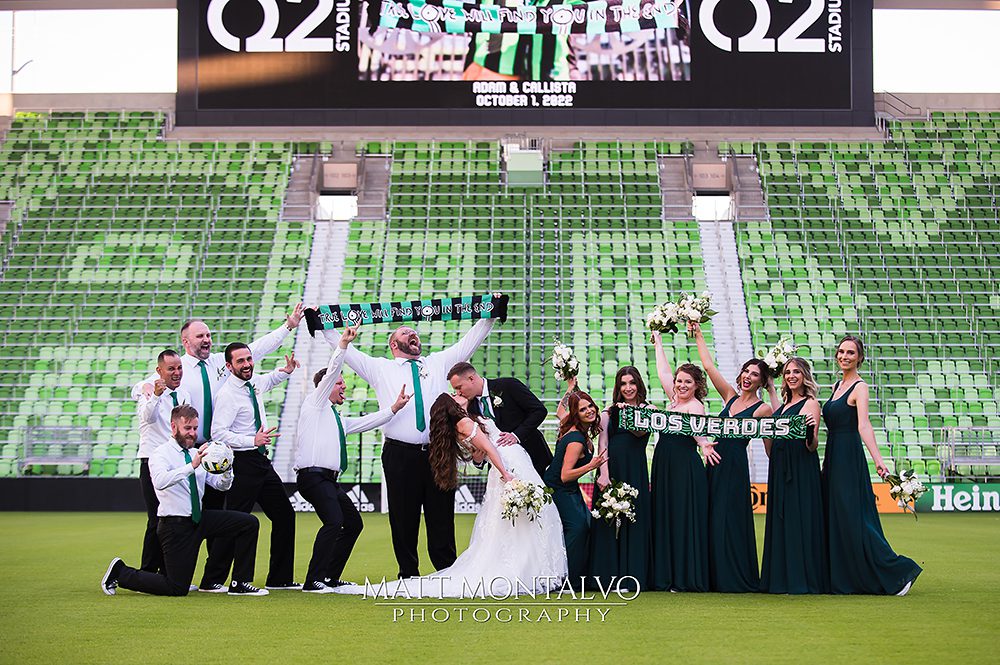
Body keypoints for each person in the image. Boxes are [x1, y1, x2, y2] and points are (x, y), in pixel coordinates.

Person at [333, 393, 567, 597]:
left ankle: (530, 567)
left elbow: (478, 455)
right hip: (507, 465)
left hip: (507, 463)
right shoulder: (465, 423)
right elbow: (488, 449)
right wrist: (506, 474)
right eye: (453, 395)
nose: (457, 393)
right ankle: (531, 568)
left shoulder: (463, 423)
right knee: (524, 519)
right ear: (451, 406)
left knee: (513, 522)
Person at [321, 317, 496, 579]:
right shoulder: (380, 368)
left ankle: (447, 572)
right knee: (403, 517)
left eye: (414, 331)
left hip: (438, 451)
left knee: (442, 515)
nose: (412, 333)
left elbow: (468, 343)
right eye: (405, 332)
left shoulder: (437, 362)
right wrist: (323, 324)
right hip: (399, 454)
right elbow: (350, 353)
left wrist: (489, 314)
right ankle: (408, 573)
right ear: (394, 344)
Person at [134, 304, 305, 522]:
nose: (206, 339)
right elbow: (143, 387)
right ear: (185, 341)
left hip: (214, 451)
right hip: (189, 449)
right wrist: (142, 386)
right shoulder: (179, 368)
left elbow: (257, 348)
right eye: (200, 336)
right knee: (179, 517)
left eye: (208, 335)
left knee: (215, 513)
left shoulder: (219, 363)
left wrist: (288, 327)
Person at [100, 405, 266, 597]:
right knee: (177, 588)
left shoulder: (198, 453)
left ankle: (240, 583)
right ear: (173, 427)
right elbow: (160, 482)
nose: (192, 433)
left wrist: (227, 469)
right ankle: (120, 572)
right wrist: (191, 466)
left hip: (199, 519)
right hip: (175, 525)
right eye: (187, 428)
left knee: (248, 523)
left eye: (195, 428)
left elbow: (221, 486)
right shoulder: (160, 454)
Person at [295, 326, 411, 593]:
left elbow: (365, 422)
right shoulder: (315, 403)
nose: (344, 386)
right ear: (325, 387)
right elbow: (332, 371)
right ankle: (313, 580)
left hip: (327, 480)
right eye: (339, 383)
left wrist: (393, 409)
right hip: (313, 477)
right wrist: (343, 345)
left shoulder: (336, 418)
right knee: (334, 522)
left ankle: (329, 577)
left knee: (353, 523)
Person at [822, 335, 922, 595]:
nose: (844, 356)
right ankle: (846, 578)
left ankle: (897, 573)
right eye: (841, 351)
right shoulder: (836, 386)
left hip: (848, 457)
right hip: (832, 455)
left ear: (860, 358)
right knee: (838, 517)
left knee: (854, 518)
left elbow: (864, 425)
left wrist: (878, 460)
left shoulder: (860, 387)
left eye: (851, 353)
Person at [206, 343, 300, 591]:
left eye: (249, 359)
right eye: (240, 361)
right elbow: (218, 433)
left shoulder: (253, 383)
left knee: (284, 514)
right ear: (229, 366)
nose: (247, 364)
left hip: (260, 461)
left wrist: (286, 371)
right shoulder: (227, 395)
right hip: (242, 463)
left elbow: (268, 380)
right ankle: (213, 580)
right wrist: (252, 440)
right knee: (235, 521)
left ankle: (280, 578)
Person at [690, 320, 770, 593]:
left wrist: (773, 390)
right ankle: (712, 576)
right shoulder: (730, 396)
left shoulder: (763, 409)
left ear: (761, 381)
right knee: (712, 517)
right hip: (714, 460)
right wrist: (699, 334)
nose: (748, 376)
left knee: (731, 520)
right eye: (746, 371)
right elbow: (709, 367)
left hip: (735, 465)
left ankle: (733, 577)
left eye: (755, 374)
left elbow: (770, 445)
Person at [649, 331, 720, 592]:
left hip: (683, 468)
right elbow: (663, 372)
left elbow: (697, 431)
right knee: (666, 517)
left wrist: (703, 444)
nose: (681, 385)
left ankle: (684, 577)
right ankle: (667, 575)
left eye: (687, 382)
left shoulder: (695, 406)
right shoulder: (674, 401)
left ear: (696, 385)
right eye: (679, 381)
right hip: (664, 465)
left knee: (681, 519)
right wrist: (658, 342)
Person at [759, 357, 828, 594]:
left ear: (804, 375)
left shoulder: (811, 404)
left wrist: (810, 433)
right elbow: (771, 444)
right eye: (788, 372)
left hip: (800, 469)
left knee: (799, 520)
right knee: (781, 520)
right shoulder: (783, 407)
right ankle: (781, 578)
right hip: (779, 467)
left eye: (796, 372)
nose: (791, 376)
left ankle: (801, 579)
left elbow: (812, 445)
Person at [589, 366, 652, 592]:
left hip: (635, 470)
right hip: (611, 468)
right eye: (623, 384)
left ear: (639, 384)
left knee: (635, 521)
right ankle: (606, 578)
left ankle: (632, 577)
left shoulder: (649, 410)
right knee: (607, 521)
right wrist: (604, 473)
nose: (628, 388)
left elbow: (640, 432)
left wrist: (628, 414)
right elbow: (603, 444)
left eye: (632, 383)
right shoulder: (608, 413)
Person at [134, 349, 192, 575]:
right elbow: (147, 418)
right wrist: (156, 395)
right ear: (159, 371)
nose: (177, 373)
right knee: (155, 519)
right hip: (152, 460)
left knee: (174, 519)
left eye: (179, 368)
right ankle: (147, 573)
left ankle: (169, 573)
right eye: (171, 369)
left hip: (175, 460)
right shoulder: (149, 391)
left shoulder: (184, 393)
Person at [545, 381, 606, 589]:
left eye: (590, 406)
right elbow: (565, 475)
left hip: (568, 488)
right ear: (576, 414)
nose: (589, 411)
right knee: (578, 528)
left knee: (587, 524)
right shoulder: (576, 439)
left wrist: (571, 387)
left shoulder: (571, 424)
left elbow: (559, 410)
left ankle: (580, 575)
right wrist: (592, 465)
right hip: (558, 488)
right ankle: (567, 579)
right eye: (582, 409)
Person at [447, 361, 553, 477]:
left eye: (459, 387)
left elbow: (539, 411)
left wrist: (516, 435)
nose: (458, 393)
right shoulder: (468, 407)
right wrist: (478, 461)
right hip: (500, 470)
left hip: (533, 458)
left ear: (471, 378)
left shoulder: (508, 385)